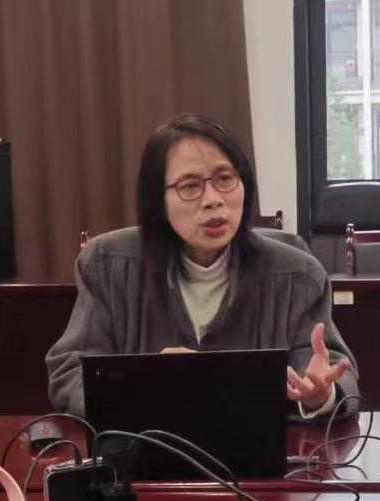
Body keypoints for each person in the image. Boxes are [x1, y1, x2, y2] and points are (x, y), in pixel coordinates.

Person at [46, 113, 359, 419]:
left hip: (255, 448)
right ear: (157, 201)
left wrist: (322, 395)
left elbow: (332, 371)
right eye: (190, 186)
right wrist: (147, 386)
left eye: (225, 179)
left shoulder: (297, 274)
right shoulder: (107, 265)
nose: (212, 199)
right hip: (142, 446)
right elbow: (69, 371)